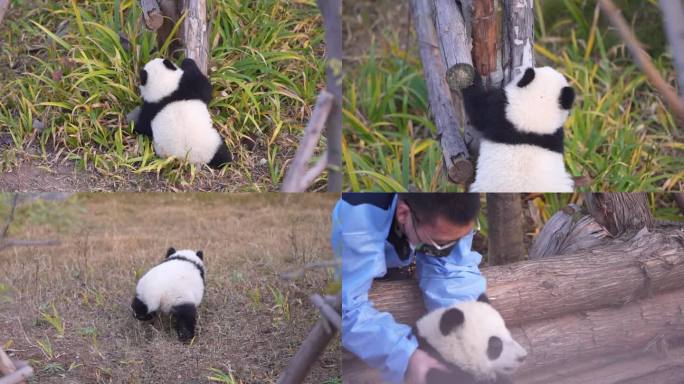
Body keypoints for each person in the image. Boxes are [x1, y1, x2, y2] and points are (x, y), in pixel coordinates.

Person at [333, 193, 485, 384]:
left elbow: (453, 271)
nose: (451, 249)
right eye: (441, 244)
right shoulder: (358, 219)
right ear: (403, 213)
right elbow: (344, 307)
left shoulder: (451, 215)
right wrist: (407, 357)